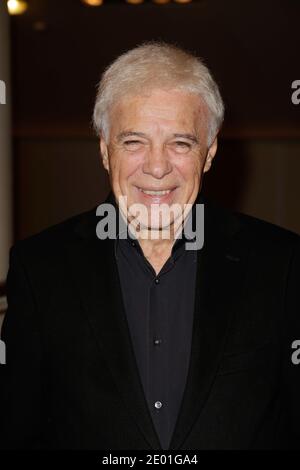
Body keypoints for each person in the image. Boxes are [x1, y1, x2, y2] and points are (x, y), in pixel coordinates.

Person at [0, 41, 299, 450]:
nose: (157, 168)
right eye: (134, 142)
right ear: (105, 151)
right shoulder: (39, 269)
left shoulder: (282, 264)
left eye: (181, 143)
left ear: (209, 153)